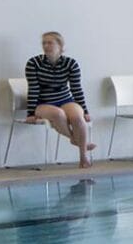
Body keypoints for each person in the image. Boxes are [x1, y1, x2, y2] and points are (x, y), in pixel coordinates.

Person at [23, 31, 95, 168]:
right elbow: (33, 89)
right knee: (58, 114)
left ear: (60, 45)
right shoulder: (34, 63)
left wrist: (85, 111)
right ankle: (75, 140)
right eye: (44, 43)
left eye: (50, 42)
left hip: (65, 100)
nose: (46, 46)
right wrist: (30, 114)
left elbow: (76, 89)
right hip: (44, 103)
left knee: (77, 117)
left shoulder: (70, 63)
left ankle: (83, 157)